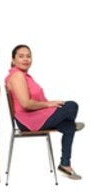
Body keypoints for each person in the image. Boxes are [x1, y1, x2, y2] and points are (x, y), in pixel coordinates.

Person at [6, 44, 84, 180]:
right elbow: (26, 103)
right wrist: (49, 103)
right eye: (21, 56)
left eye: (28, 56)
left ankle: (65, 164)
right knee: (71, 106)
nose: (26, 59)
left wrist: (49, 105)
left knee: (69, 127)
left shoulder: (24, 75)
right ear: (13, 60)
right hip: (28, 120)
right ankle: (70, 122)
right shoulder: (17, 76)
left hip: (36, 117)